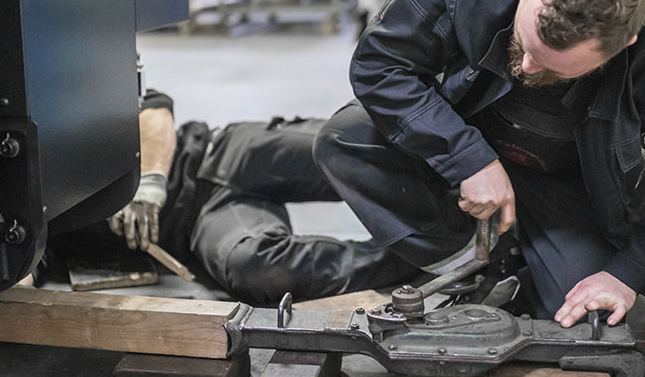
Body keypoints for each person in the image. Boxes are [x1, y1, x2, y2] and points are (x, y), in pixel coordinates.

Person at [312, 0, 645, 327]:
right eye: (526, 46)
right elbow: (380, 65)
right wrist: (467, 158)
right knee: (345, 140)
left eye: (556, 66)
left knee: (578, 324)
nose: (530, 70)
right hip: (471, 142)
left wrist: (629, 274)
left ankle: (515, 262)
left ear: (625, 43)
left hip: (578, 185)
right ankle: (485, 265)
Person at [48, 90, 414, 305]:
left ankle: (461, 185)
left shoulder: (57, 111)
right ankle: (425, 254)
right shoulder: (19, 220)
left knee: (348, 150)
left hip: (221, 151)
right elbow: (18, 279)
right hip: (206, 224)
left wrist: (150, 181)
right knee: (258, 270)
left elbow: (155, 109)